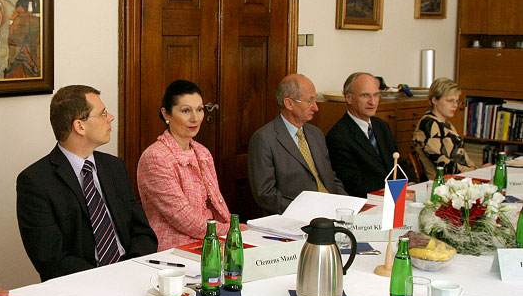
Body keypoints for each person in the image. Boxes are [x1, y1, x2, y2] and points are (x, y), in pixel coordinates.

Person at [16, 85, 157, 281]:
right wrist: (108, 277)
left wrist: (131, 269)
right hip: (82, 285)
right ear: (79, 126)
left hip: (133, 274)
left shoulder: (114, 167)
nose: (111, 118)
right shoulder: (35, 181)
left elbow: (142, 231)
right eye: (103, 113)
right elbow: (50, 260)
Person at [137, 80, 231, 251]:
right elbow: (183, 218)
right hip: (174, 248)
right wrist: (231, 230)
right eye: (186, 111)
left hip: (212, 239)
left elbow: (218, 204)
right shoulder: (155, 157)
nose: (195, 118)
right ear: (166, 114)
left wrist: (235, 228)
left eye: (200, 109)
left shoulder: (202, 152)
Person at [248, 74, 346, 215]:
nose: (316, 108)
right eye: (309, 101)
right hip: (295, 218)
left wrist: (347, 205)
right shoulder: (264, 139)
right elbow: (265, 194)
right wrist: (306, 211)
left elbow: (330, 177)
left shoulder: (316, 134)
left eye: (315, 100)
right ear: (289, 103)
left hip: (331, 211)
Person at [326, 72, 416, 198]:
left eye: (376, 95)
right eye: (365, 96)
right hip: (368, 202)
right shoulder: (339, 136)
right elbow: (353, 183)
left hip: (397, 197)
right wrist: (395, 190)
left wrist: (412, 185)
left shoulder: (381, 126)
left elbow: (398, 163)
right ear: (348, 98)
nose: (372, 102)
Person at [413, 77, 477, 179]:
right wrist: (473, 172)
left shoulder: (447, 124)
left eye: (457, 101)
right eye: (450, 101)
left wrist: (477, 170)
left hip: (458, 178)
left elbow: (462, 157)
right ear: (435, 100)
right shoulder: (428, 124)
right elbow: (442, 164)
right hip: (441, 183)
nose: (455, 105)